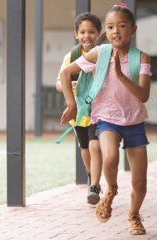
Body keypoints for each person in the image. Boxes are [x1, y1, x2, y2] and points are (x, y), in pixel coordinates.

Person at [59, 4, 151, 235]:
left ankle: (134, 216)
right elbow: (65, 73)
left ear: (133, 29)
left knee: (140, 183)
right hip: (107, 120)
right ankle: (110, 190)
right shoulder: (100, 53)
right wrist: (71, 104)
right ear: (106, 32)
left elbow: (144, 95)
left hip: (134, 123)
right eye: (110, 27)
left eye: (122, 26)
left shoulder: (140, 58)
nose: (116, 31)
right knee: (109, 156)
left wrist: (120, 75)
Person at [55, 12, 103, 205]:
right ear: (76, 34)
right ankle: (91, 175)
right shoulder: (71, 57)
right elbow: (59, 81)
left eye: (91, 31)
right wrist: (68, 86)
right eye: (82, 32)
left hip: (98, 110)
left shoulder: (102, 53)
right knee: (85, 148)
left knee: (95, 145)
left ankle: (95, 186)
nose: (87, 36)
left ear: (98, 33)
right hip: (78, 112)